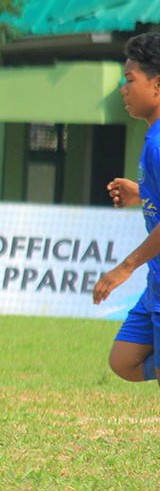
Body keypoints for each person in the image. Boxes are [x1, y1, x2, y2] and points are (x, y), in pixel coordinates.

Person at [93, 33, 160, 384]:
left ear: (158, 84)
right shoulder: (153, 138)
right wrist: (141, 194)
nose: (122, 88)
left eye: (130, 80)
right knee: (124, 361)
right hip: (157, 280)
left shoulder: (159, 145)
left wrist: (124, 268)